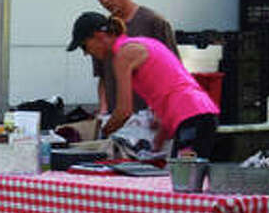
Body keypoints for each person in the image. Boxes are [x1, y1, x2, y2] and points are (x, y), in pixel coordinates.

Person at [68, 11, 218, 157]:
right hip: (198, 114)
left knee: (185, 179)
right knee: (182, 178)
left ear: (98, 36)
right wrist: (158, 142)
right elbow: (171, 91)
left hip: (191, 117)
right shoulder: (142, 43)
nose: (86, 53)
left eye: (84, 46)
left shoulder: (124, 55)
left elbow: (123, 112)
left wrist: (100, 138)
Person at [88, 0, 179, 115]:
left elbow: (174, 75)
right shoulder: (102, 31)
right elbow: (103, 76)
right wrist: (103, 111)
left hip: (151, 118)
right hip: (117, 119)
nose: (105, 0)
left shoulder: (154, 22)